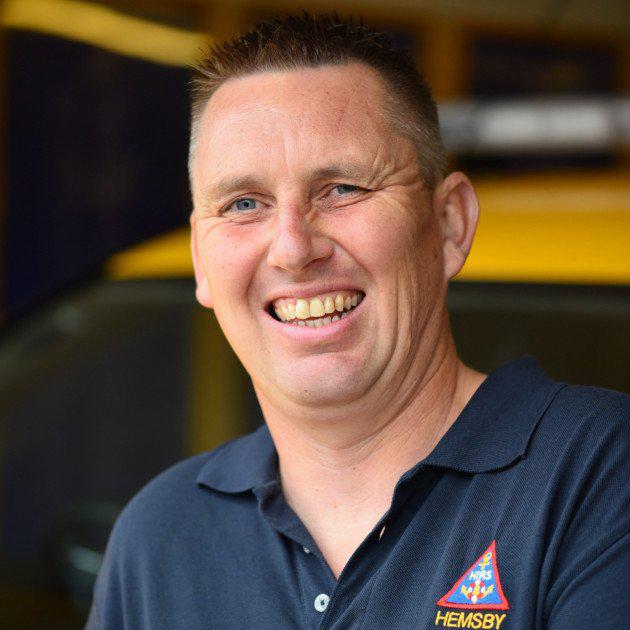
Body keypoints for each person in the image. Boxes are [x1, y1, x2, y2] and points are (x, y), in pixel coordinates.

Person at [88, 14, 629, 629]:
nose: (293, 249)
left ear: (449, 225)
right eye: (244, 204)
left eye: (342, 188)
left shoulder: (596, 475)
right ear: (200, 261)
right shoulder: (160, 536)